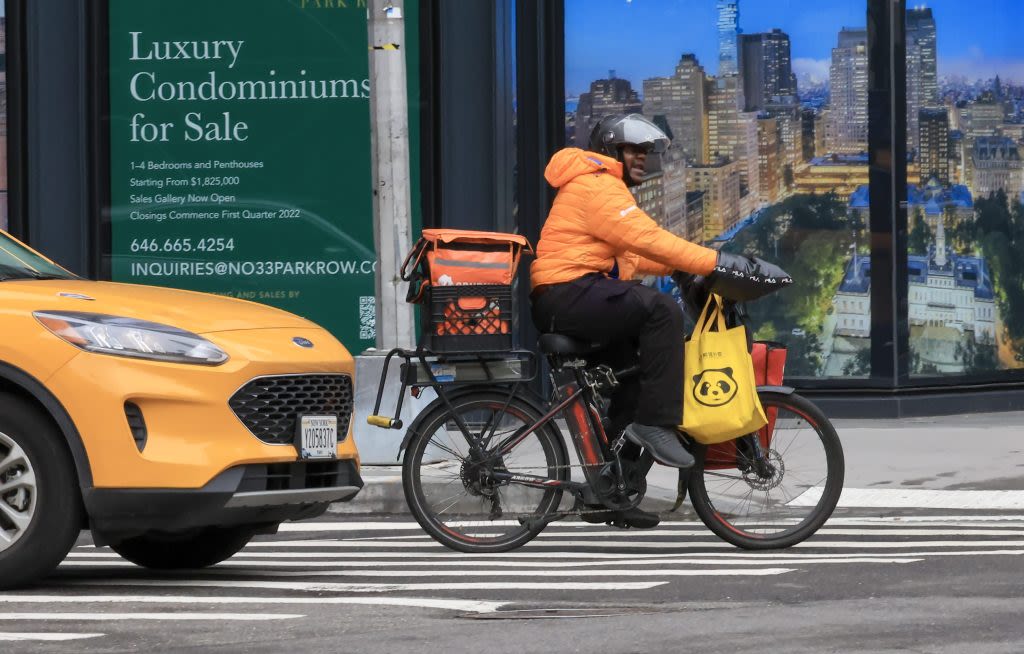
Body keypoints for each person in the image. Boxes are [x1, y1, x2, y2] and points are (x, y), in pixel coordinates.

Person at [530, 113, 790, 528]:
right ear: (611, 150)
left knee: (637, 373)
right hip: (568, 293)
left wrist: (682, 269)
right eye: (634, 150)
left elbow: (633, 255)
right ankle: (655, 424)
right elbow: (647, 238)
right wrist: (719, 261)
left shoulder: (602, 185)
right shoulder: (598, 185)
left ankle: (610, 488)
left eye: (646, 152)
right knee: (661, 310)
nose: (642, 158)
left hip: (576, 294)